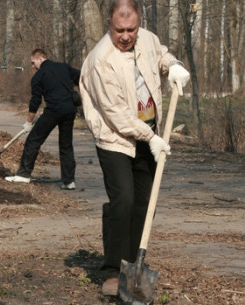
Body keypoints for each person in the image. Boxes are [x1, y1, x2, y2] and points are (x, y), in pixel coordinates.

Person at [79, 0, 190, 296]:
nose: (126, 36)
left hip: (148, 134)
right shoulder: (101, 60)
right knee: (124, 199)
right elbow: (116, 114)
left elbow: (160, 53)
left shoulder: (147, 39)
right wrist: (151, 137)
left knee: (144, 202)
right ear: (108, 23)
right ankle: (114, 270)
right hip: (116, 138)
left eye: (131, 29)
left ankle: (134, 265)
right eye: (119, 30)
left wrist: (174, 65)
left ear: (138, 24)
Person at [5, 49, 80, 189]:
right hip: (70, 110)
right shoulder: (64, 67)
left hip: (53, 111)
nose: (32, 66)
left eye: (33, 63)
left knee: (33, 140)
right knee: (66, 145)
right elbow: (82, 78)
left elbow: (35, 102)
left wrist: (28, 122)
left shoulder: (39, 76)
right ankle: (69, 181)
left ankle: (23, 175)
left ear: (40, 58)